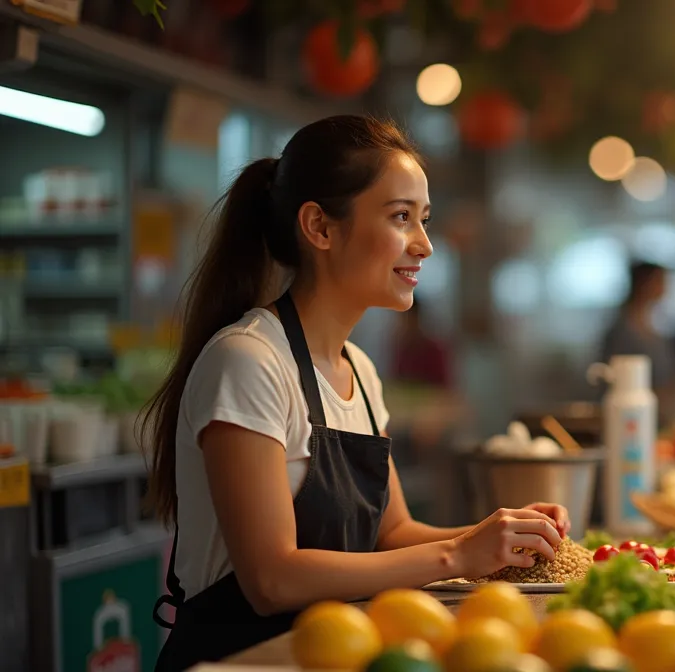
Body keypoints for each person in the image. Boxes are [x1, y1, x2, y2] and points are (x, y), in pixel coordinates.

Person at [141, 116, 570, 671]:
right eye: (400, 218)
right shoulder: (247, 361)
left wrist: (502, 536)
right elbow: (271, 580)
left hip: (332, 654)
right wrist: (458, 553)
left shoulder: (360, 370)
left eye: (424, 220)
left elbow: (393, 534)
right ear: (319, 226)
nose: (425, 245)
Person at [598, 261, 675, 391]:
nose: (665, 287)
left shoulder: (657, 324)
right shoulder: (622, 330)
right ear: (643, 284)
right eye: (659, 281)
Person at [390, 296, 454, 388]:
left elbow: (443, 388)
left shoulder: (433, 350)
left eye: (406, 318)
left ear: (415, 317)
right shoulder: (401, 348)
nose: (401, 324)